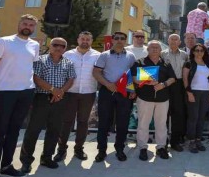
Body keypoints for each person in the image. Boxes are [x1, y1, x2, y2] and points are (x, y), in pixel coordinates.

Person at [0, 14, 41, 177]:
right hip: (4, 92)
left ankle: (6, 166)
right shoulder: (4, 41)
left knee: (14, 131)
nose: (28, 26)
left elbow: (29, 67)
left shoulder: (35, 45)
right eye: (25, 23)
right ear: (19, 24)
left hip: (26, 91)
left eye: (31, 25)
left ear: (34, 28)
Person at [19, 38, 75, 173]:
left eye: (62, 46)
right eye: (55, 45)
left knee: (54, 130)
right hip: (42, 98)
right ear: (50, 46)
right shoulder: (40, 60)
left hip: (60, 99)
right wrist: (52, 89)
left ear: (65, 49)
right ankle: (26, 161)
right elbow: (36, 78)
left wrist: (60, 92)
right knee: (33, 130)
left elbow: (71, 79)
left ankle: (47, 157)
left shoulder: (68, 62)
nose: (59, 48)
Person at [92, 32, 136, 162]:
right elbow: (96, 72)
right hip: (107, 91)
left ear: (125, 41)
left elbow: (132, 75)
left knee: (123, 122)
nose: (119, 40)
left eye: (122, 38)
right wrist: (107, 84)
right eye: (116, 38)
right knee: (104, 122)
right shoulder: (104, 55)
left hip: (124, 93)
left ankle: (120, 149)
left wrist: (133, 89)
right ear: (112, 40)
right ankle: (101, 150)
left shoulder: (131, 56)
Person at [57, 31, 100, 162]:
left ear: (91, 41)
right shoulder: (67, 54)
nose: (85, 41)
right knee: (66, 122)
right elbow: (60, 72)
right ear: (78, 40)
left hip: (88, 93)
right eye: (83, 39)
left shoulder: (97, 56)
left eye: (88, 39)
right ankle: (61, 150)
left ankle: (79, 149)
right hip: (69, 93)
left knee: (83, 122)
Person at [133, 41, 177, 161]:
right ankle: (142, 148)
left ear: (160, 50)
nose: (155, 49)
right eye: (152, 47)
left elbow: (172, 79)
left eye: (157, 47)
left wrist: (163, 84)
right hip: (145, 98)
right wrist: (146, 80)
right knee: (143, 124)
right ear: (147, 49)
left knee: (161, 124)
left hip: (163, 98)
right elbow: (133, 78)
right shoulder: (140, 62)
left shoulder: (166, 63)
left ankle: (161, 147)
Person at [183, 44, 209, 153]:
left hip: (205, 93)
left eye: (202, 50)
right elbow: (185, 79)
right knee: (193, 118)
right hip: (194, 92)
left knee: (201, 118)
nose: (199, 52)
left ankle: (198, 140)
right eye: (197, 50)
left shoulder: (207, 64)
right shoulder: (189, 63)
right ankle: (191, 141)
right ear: (193, 52)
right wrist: (189, 93)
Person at [161, 34, 189, 152]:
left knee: (178, 114)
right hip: (165, 85)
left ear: (180, 42)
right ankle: (163, 141)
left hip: (179, 85)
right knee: (164, 115)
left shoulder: (184, 54)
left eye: (176, 39)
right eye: (171, 39)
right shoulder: (162, 54)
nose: (173, 41)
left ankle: (175, 141)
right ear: (168, 41)